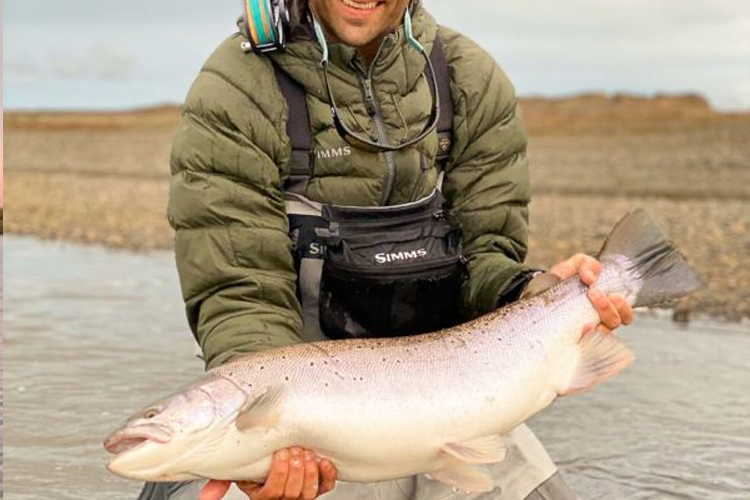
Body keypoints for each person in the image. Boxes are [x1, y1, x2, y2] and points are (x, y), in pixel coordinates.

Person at [154, 0, 634, 499]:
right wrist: (265, 442)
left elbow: (487, 256)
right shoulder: (236, 86)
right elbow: (239, 289)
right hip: (306, 416)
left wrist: (539, 292)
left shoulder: (469, 77)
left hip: (450, 390)